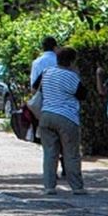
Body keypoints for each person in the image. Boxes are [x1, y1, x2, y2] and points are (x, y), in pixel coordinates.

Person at [37, 44, 85, 194]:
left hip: (46, 115)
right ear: (72, 61)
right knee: (71, 153)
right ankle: (76, 187)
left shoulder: (47, 72)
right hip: (66, 117)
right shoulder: (72, 77)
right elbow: (82, 95)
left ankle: (49, 186)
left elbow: (37, 87)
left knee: (49, 153)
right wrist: (76, 74)